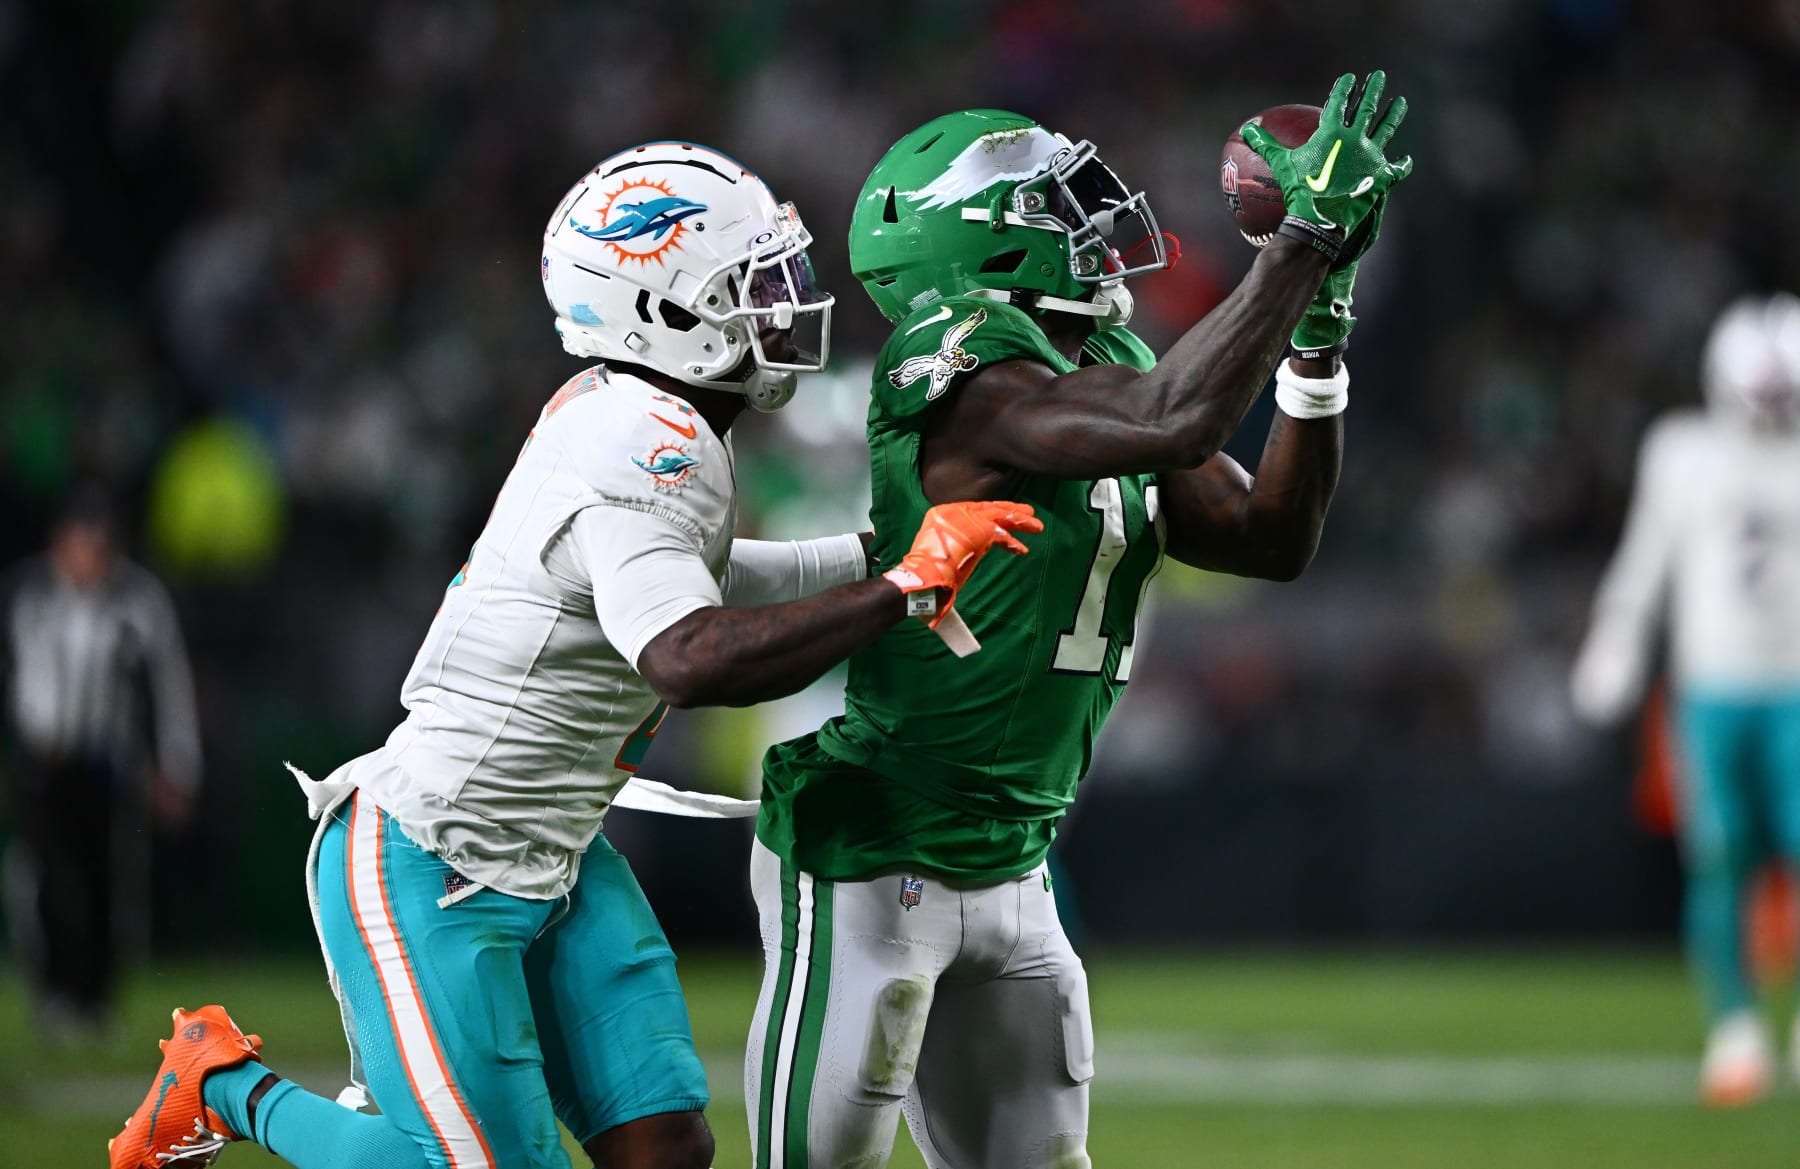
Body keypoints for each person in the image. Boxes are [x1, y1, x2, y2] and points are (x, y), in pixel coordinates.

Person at [111, 141, 1041, 1169]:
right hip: (437, 852)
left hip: (554, 852)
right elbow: (688, 655)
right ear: (664, 312)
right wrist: (900, 587)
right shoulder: (644, 437)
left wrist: (880, 556)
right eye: (755, 284)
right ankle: (219, 1083)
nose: (786, 305)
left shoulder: (650, 420)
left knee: (664, 1151)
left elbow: (702, 577)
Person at [746, 73, 1410, 1169]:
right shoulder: (953, 363)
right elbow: (1176, 418)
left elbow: (1268, 537)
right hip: (874, 852)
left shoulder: (1105, 361)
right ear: (979, 242)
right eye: (1056, 206)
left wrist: (1317, 341)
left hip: (1016, 859)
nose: (1095, 224)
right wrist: (1299, 246)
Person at [1572, 292, 1800, 1107]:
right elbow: (1648, 558)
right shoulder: (1683, 451)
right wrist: (1616, 640)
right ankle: (1735, 1027)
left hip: (1796, 688)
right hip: (1711, 690)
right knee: (1721, 851)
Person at [1, 488, 201, 1037]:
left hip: (106, 760)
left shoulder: (137, 600)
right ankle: (53, 993)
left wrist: (177, 765)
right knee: (43, 878)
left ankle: (95, 998)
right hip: (41, 760)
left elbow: (169, 685)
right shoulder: (27, 596)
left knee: (105, 882)